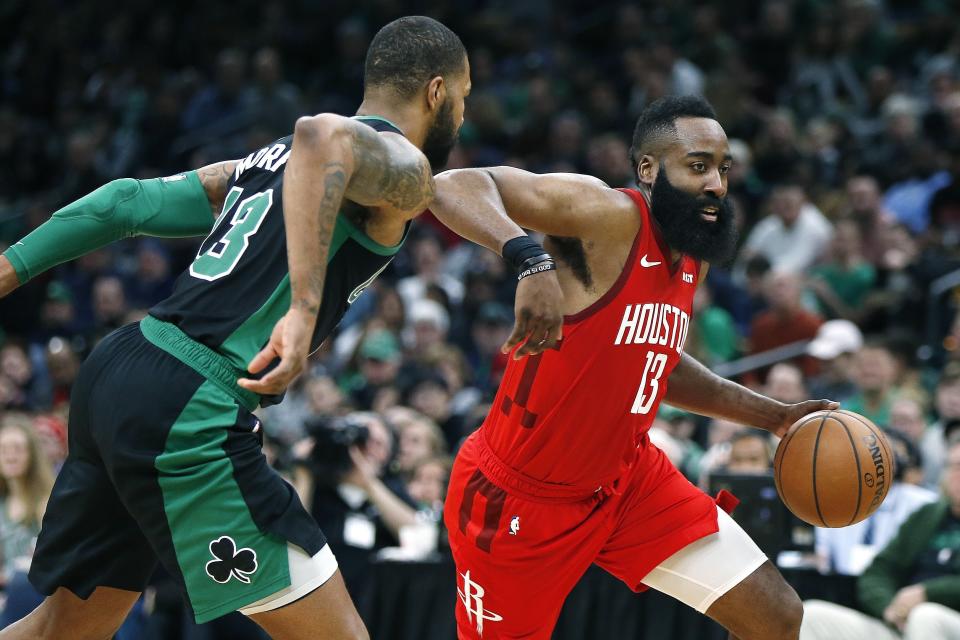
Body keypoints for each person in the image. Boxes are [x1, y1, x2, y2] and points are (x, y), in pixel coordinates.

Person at [0, 16, 563, 640]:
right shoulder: (393, 159)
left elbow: (126, 202)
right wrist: (302, 307)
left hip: (122, 369)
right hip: (190, 399)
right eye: (462, 97)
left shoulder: (268, 161)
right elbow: (322, 134)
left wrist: (8, 268)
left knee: (64, 629)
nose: (461, 113)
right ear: (437, 92)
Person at [430, 95, 837, 640]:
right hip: (519, 498)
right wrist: (530, 260)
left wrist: (775, 417)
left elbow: (657, 362)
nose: (716, 183)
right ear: (648, 168)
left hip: (629, 482)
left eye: (722, 168)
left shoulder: (692, 251)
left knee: (777, 616)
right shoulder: (607, 214)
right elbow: (453, 184)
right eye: (697, 166)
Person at [801, 435, 960, 639]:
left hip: (946, 621)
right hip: (905, 622)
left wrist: (927, 593)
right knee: (813, 615)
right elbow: (878, 571)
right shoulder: (928, 514)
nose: (957, 475)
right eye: (952, 466)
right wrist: (889, 608)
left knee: (926, 616)